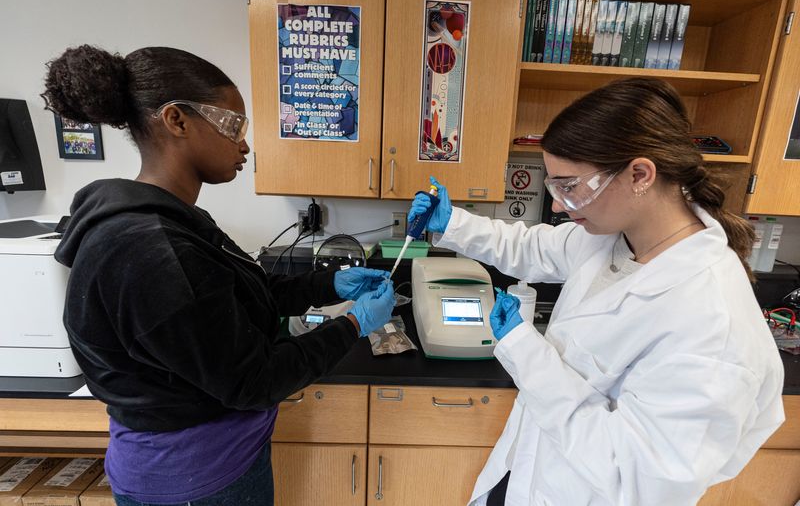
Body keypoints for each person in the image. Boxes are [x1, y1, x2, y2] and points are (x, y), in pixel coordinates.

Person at [42, 45, 395, 506]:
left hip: (215, 462)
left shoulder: (173, 221)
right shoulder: (151, 250)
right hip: (195, 480)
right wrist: (353, 325)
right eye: (233, 125)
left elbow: (240, 294)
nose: (244, 144)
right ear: (176, 120)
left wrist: (327, 286)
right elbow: (255, 381)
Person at [408, 78, 785, 505]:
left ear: (639, 174)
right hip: (527, 472)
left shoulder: (712, 323)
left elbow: (634, 478)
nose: (556, 205)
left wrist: (525, 351)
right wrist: (453, 223)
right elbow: (530, 247)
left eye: (569, 186)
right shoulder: (616, 237)